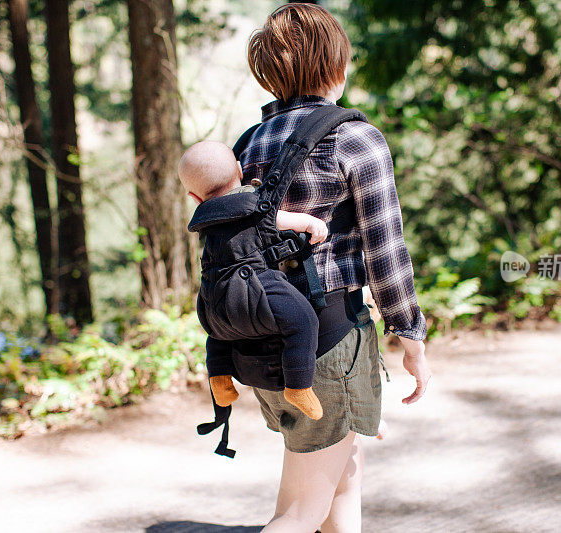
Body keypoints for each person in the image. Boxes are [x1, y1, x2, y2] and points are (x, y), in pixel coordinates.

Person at [240, 4, 432, 532]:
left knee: (342, 474)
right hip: (328, 338)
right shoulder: (353, 138)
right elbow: (385, 252)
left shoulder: (248, 146)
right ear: (336, 67)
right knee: (300, 510)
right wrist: (410, 337)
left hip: (262, 338)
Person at [179, 140, 329, 420]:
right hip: (256, 287)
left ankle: (220, 378)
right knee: (303, 321)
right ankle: (298, 386)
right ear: (239, 170)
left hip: (213, 296)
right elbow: (276, 220)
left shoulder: (205, 220)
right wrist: (309, 223)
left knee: (217, 332)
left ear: (194, 197)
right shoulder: (251, 203)